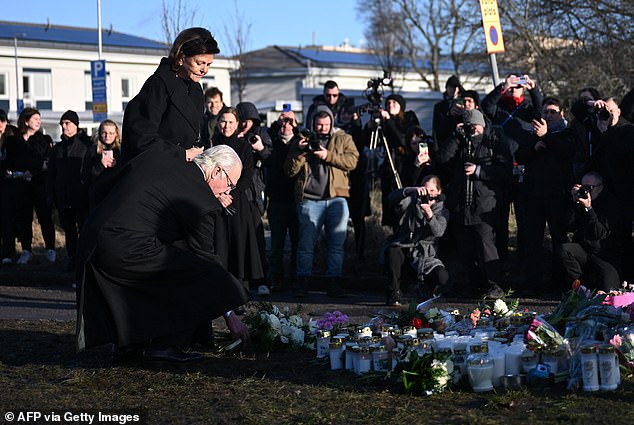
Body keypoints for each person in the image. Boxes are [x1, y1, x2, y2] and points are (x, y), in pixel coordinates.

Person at [75, 145, 250, 362]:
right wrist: (230, 313)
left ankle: (129, 344)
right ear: (216, 172)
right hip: (125, 247)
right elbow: (206, 260)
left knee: (158, 275)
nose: (227, 192)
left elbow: (103, 185)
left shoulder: (161, 159)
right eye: (230, 185)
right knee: (198, 273)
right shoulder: (201, 200)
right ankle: (166, 345)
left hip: (92, 238)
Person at [435, 109, 512, 298]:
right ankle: (474, 284)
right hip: (461, 204)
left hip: (484, 204)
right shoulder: (460, 142)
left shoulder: (494, 142)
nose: (472, 131)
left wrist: (479, 171)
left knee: (487, 246)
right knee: (465, 248)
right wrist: (455, 136)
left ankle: (495, 285)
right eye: (468, 127)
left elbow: (504, 171)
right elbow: (442, 159)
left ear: (483, 126)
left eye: (474, 127)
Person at [284, 106, 359, 297]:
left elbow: (352, 162)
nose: (322, 128)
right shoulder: (303, 139)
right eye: (319, 124)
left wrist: (328, 155)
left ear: (332, 123)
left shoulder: (343, 138)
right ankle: (302, 282)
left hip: (336, 199)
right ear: (313, 124)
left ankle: (334, 282)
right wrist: (301, 151)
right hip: (309, 199)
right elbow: (289, 171)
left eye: (326, 125)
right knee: (306, 245)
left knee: (336, 245)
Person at [121, 27, 219, 162]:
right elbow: (142, 139)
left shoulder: (195, 88)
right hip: (158, 170)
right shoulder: (158, 85)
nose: (205, 70)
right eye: (200, 63)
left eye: (209, 64)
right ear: (181, 57)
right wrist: (181, 153)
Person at [514, 97, 575, 290]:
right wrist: (534, 147)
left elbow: (567, 152)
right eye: (545, 112)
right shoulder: (533, 134)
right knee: (533, 241)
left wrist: (547, 136)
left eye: (553, 112)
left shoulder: (567, 133)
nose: (548, 116)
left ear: (561, 113)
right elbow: (519, 155)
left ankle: (561, 282)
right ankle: (533, 282)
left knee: (559, 239)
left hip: (558, 196)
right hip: (534, 196)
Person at [480, 73, 543, 261]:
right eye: (513, 84)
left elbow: (540, 110)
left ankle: (524, 261)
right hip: (502, 168)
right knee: (499, 218)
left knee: (525, 220)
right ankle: (501, 261)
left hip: (524, 168)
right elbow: (486, 106)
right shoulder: (500, 107)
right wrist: (502, 87)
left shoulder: (528, 108)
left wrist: (534, 89)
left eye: (519, 84)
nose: (515, 87)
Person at [212, 108, 264, 294]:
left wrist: (229, 192)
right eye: (223, 121)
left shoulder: (243, 147)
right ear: (218, 123)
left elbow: (248, 175)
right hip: (215, 201)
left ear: (237, 124)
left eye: (231, 122)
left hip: (237, 202)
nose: (226, 125)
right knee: (219, 246)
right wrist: (218, 194)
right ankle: (220, 293)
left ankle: (239, 293)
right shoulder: (211, 144)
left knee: (238, 246)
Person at [383, 175, 450, 306]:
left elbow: (439, 232)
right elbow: (392, 198)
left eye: (432, 191)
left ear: (439, 192)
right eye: (425, 190)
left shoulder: (443, 210)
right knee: (392, 251)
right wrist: (410, 190)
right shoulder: (412, 202)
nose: (428, 195)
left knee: (442, 277)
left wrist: (429, 215)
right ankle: (394, 293)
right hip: (406, 248)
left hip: (426, 255)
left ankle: (427, 291)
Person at [1, 108, 55, 265]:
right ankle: (26, 250)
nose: (38, 121)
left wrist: (31, 169)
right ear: (26, 121)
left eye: (39, 118)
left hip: (39, 185)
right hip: (21, 187)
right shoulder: (14, 141)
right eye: (35, 118)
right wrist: (26, 169)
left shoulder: (44, 139)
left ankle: (50, 249)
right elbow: (13, 162)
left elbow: (46, 163)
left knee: (45, 217)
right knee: (24, 218)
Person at [556, 172, 625, 291]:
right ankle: (580, 288)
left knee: (608, 290)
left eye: (589, 188)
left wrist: (589, 209)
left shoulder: (610, 204)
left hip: (604, 255)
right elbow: (567, 226)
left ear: (600, 188)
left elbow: (599, 233)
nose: (586, 191)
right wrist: (574, 202)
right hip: (584, 251)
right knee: (565, 249)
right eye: (583, 187)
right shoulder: (579, 202)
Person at [235, 101, 273, 295]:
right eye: (242, 120)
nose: (245, 125)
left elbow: (272, 159)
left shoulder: (261, 134)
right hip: (236, 193)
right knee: (240, 240)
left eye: (249, 121)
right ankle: (242, 283)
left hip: (254, 194)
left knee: (258, 239)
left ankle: (262, 280)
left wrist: (260, 148)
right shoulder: (233, 133)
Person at [49, 110, 92, 269]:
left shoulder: (86, 146)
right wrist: (51, 195)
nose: (64, 126)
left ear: (76, 125)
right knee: (69, 230)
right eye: (62, 123)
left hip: (81, 196)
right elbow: (52, 174)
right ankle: (72, 258)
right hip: (63, 196)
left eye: (67, 123)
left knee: (84, 229)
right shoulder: (58, 148)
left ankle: (84, 259)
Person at [264, 111, 300, 289]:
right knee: (277, 243)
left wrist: (295, 122)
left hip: (295, 199)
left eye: (289, 122)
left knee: (297, 243)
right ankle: (275, 278)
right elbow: (267, 137)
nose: (286, 125)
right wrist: (276, 123)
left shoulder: (298, 142)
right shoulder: (272, 141)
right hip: (277, 199)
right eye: (283, 123)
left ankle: (295, 277)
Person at [375, 93, 420, 230]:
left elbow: (403, 139)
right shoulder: (383, 121)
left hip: (404, 166)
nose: (390, 106)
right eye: (388, 103)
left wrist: (389, 121)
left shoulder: (409, 118)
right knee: (391, 208)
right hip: (390, 167)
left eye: (394, 103)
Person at [82, 119, 122, 196]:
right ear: (100, 133)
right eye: (104, 133)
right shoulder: (92, 151)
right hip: (97, 194)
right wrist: (100, 165)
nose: (107, 136)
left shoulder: (121, 151)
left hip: (116, 193)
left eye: (111, 133)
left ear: (116, 134)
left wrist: (117, 166)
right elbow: (86, 175)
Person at [0, 109, 17, 265]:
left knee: (7, 220)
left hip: (8, 184)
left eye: (2, 121)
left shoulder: (11, 139)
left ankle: (8, 251)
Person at [432, 75, 464, 146]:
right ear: (446, 88)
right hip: (444, 141)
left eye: (455, 87)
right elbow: (435, 129)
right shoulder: (439, 107)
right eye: (450, 87)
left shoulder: (464, 103)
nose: (453, 90)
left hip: (460, 142)